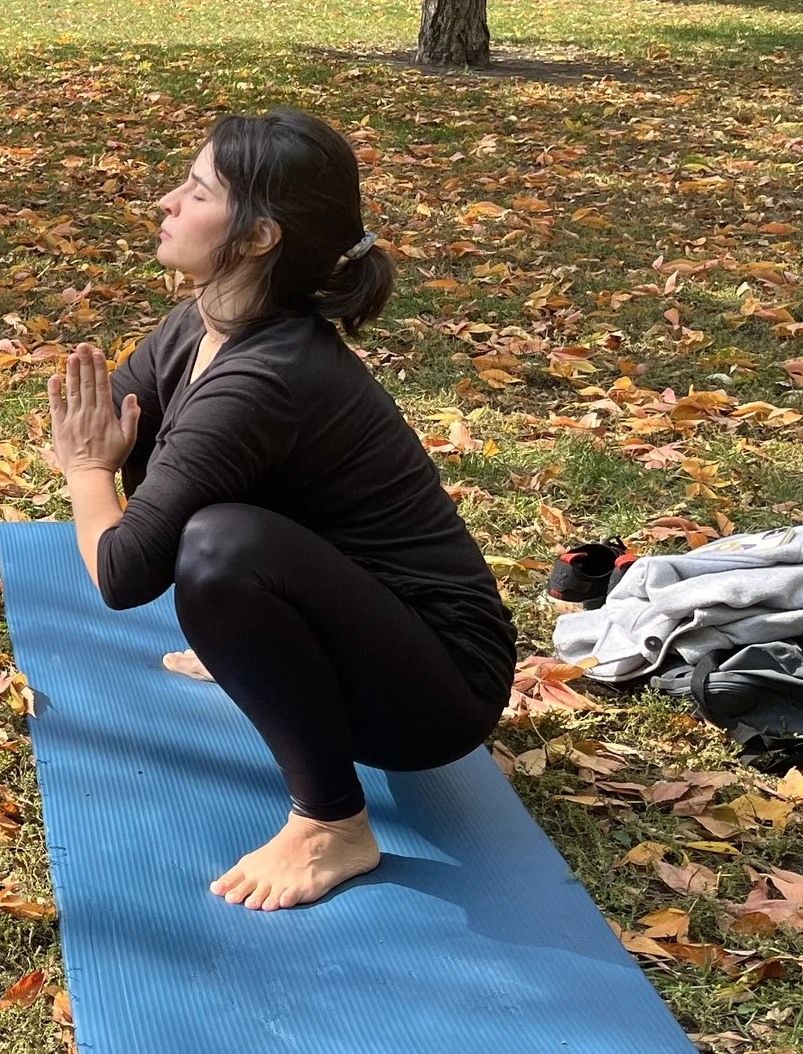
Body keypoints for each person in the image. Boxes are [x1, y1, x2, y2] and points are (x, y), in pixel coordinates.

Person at [41, 109, 514, 912]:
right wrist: (100, 448)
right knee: (209, 535)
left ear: (260, 237)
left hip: (437, 692)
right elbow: (122, 411)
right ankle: (264, 653)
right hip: (371, 637)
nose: (166, 200)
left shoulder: (267, 377)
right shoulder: (202, 322)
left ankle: (334, 822)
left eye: (196, 191)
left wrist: (88, 471)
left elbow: (121, 572)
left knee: (220, 549)